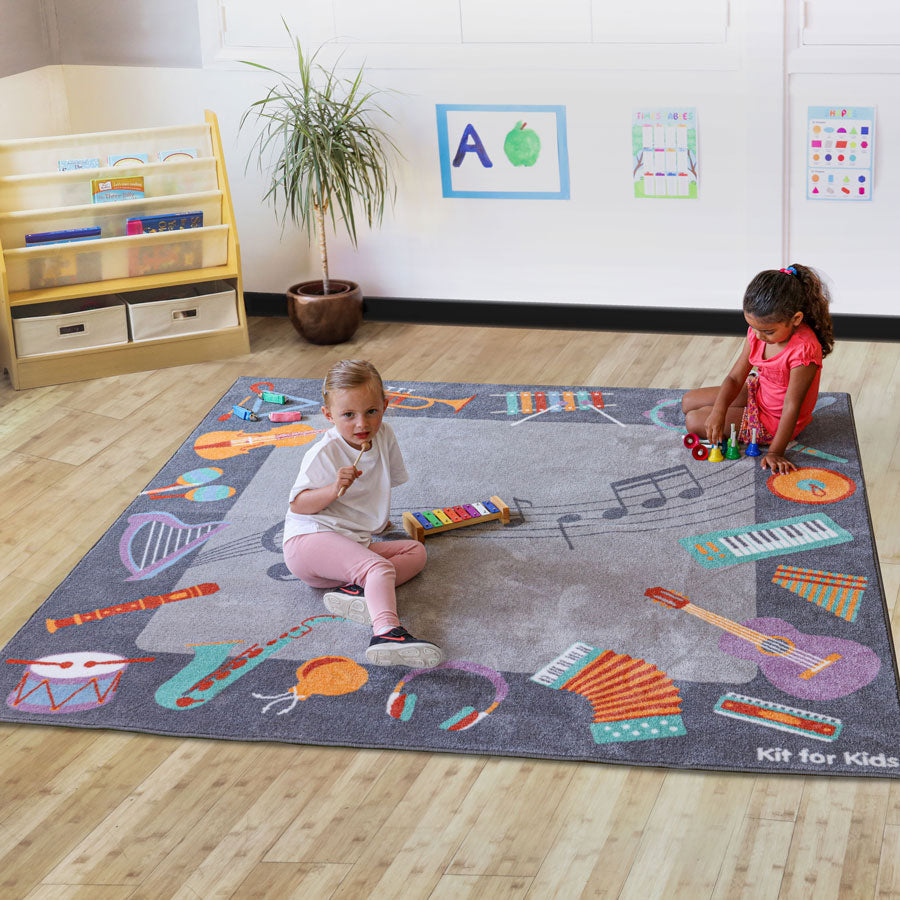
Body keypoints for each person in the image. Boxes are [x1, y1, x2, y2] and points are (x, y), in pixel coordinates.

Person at [282, 359, 444, 667]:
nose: (362, 424)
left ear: (385, 405)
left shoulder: (384, 437)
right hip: (309, 541)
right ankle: (386, 631)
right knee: (379, 569)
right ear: (328, 415)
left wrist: (377, 522)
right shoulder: (323, 452)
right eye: (348, 415)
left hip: (348, 542)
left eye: (371, 411)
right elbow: (298, 505)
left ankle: (357, 593)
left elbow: (380, 485)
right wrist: (334, 488)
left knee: (415, 552)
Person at [681, 264, 834, 473]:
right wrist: (719, 411)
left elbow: (792, 405)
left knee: (694, 420)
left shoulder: (804, 351)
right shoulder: (758, 332)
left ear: (796, 319)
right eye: (753, 327)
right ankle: (722, 413)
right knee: (688, 402)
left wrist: (775, 452)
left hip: (773, 421)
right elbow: (735, 378)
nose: (759, 336)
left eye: (768, 331)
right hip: (758, 392)